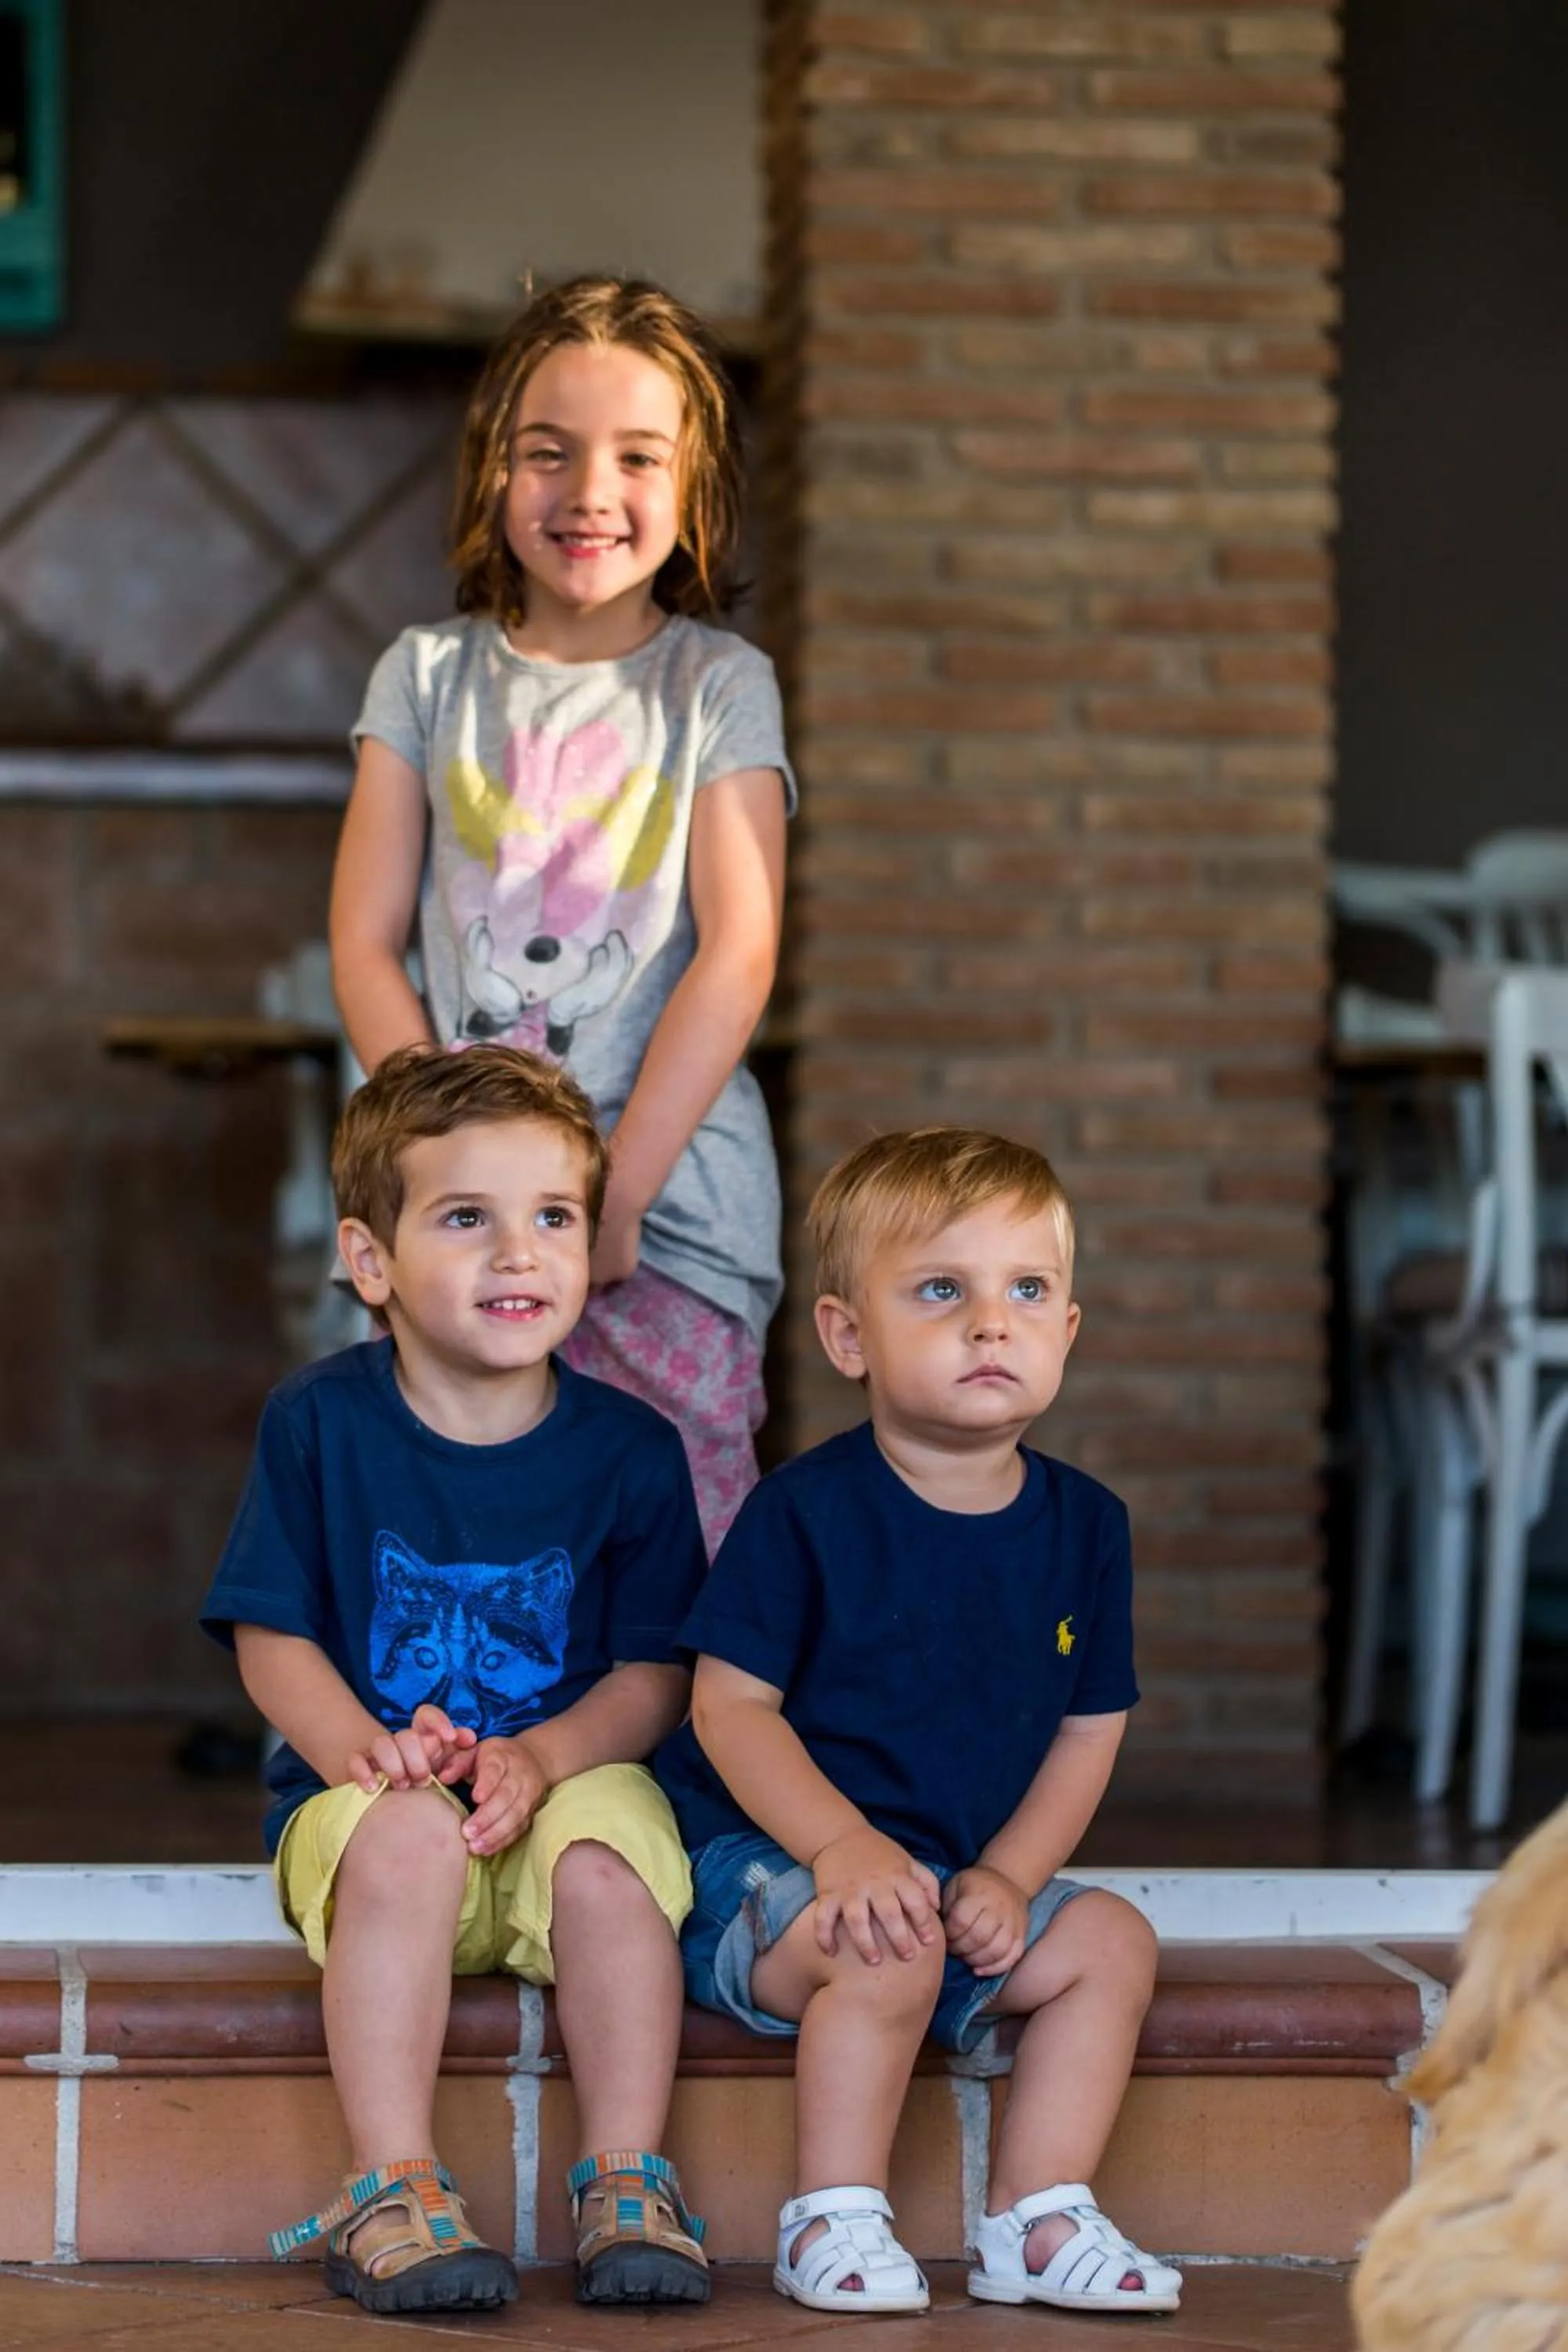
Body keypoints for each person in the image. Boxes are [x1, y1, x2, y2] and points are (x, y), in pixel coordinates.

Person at [201, 1045, 711, 2318]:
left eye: (553, 1218)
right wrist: (358, 1753)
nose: (519, 1252)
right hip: (383, 1810)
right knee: (408, 1844)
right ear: (371, 1261)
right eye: (466, 1218)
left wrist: (550, 1757)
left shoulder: (634, 1451)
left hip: (569, 1789)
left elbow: (657, 1671)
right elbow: (271, 1632)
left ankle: (629, 2179)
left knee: (611, 1869)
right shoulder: (319, 1423)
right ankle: (390, 2184)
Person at [657, 1127, 1181, 2319]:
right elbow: (728, 1709)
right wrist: (842, 1850)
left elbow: (1086, 1731)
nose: (991, 1322)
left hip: (957, 1889)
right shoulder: (803, 1511)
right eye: (943, 1290)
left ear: (1067, 1330)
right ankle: (832, 2214)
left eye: (1028, 1290)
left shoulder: (1087, 1528)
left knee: (1114, 1945)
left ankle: (1037, 2219)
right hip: (777, 1882)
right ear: (848, 1336)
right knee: (888, 1943)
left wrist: (1012, 1873)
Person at [329, 274, 792, 1555]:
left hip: (674, 1210)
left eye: (639, 456)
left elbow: (738, 954)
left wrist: (614, 1194)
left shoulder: (719, 687)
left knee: (671, 1545)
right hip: (459, 1217)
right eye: (550, 453)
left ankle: (667, 1763)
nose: (591, 491)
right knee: (457, 1534)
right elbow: (365, 943)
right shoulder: (425, 677)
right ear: (494, 472)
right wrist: (452, 1173)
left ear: (694, 488)